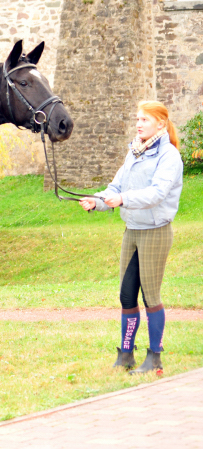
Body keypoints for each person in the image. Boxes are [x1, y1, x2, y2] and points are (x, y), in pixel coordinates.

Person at [79, 101, 183, 374]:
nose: (139, 124)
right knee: (127, 296)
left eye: (145, 120)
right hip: (132, 231)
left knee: (151, 296)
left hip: (155, 232)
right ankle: (126, 355)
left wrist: (121, 199)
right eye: (137, 119)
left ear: (160, 123)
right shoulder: (134, 152)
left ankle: (155, 358)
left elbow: (157, 194)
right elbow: (115, 187)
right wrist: (97, 201)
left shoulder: (168, 156)